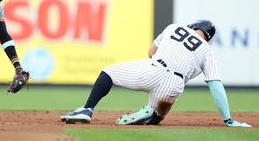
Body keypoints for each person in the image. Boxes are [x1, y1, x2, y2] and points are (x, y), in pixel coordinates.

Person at [60, 20, 251, 127]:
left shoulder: (175, 27)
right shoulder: (208, 51)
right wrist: (228, 120)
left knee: (107, 73)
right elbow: (215, 85)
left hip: (155, 69)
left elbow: (151, 52)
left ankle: (87, 109)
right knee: (159, 110)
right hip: (174, 87)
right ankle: (152, 116)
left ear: (193, 26)